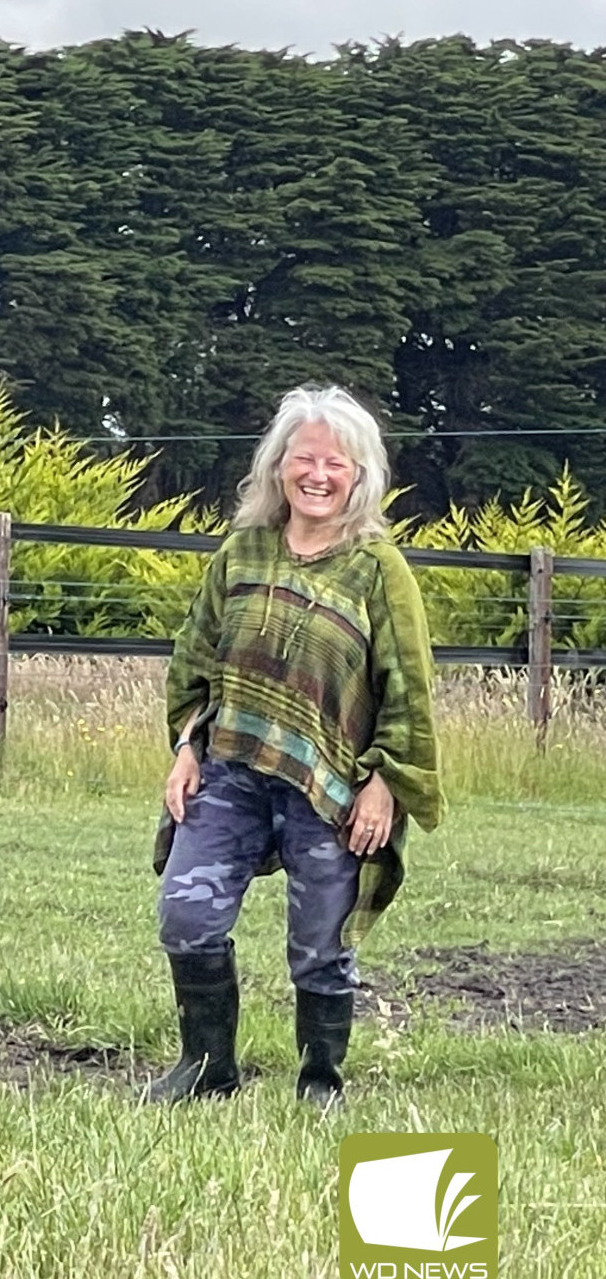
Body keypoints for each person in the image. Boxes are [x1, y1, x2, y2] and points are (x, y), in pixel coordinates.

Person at [146, 384, 443, 1108]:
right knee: (186, 913)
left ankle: (319, 1082)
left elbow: (408, 688)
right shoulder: (241, 551)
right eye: (303, 458)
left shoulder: (378, 569)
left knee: (321, 940)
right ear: (278, 467)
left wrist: (384, 783)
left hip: (335, 786)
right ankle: (207, 1067)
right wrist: (187, 746)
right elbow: (197, 656)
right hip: (231, 768)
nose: (317, 474)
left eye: (335, 462)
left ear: (360, 475)